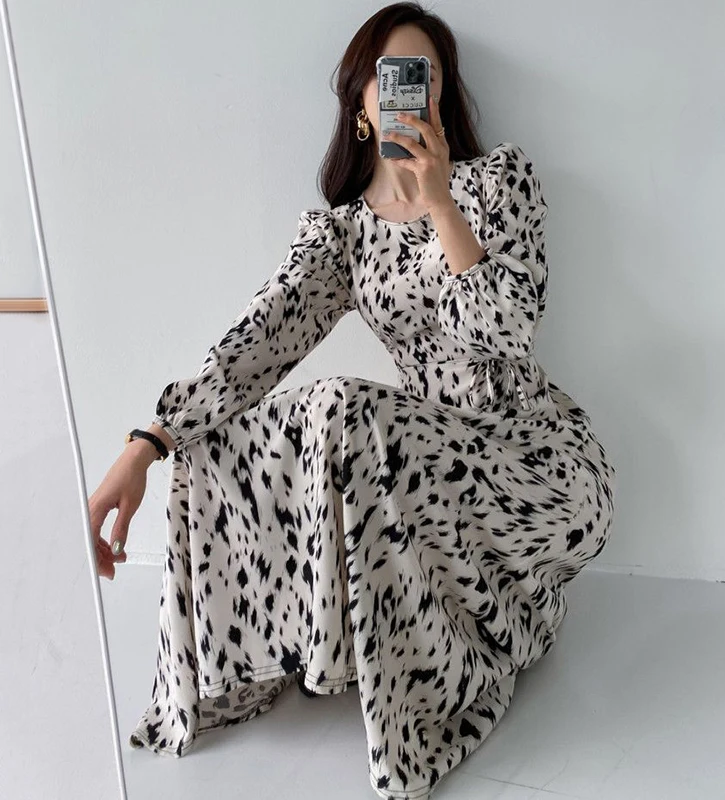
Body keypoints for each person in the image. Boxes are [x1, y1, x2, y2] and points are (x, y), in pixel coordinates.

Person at [88, 3, 617, 798]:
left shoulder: (498, 182)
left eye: (426, 76)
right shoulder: (343, 236)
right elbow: (257, 341)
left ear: (443, 95)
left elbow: (509, 330)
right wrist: (147, 444)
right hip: (421, 477)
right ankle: (271, 656)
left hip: (534, 462)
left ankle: (447, 674)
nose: (412, 90)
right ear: (360, 103)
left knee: (344, 407)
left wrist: (441, 204)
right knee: (242, 432)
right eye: (392, 74)